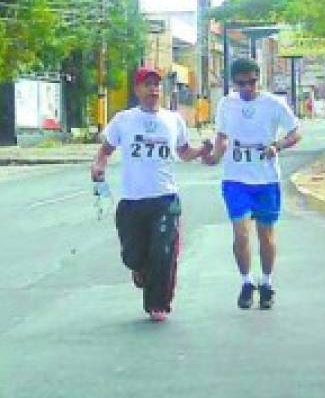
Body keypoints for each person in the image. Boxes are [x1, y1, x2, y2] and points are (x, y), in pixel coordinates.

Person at [91, 66, 208, 322]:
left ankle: (159, 303)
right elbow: (106, 149)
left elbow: (184, 152)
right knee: (133, 255)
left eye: (157, 85)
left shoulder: (173, 120)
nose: (153, 89)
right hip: (132, 201)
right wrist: (99, 165)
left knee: (164, 251)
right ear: (137, 89)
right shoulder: (124, 120)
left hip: (165, 198)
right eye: (147, 85)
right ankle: (139, 268)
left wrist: (203, 150)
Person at [203, 57, 302, 310]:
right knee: (240, 232)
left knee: (266, 235)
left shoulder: (274, 104)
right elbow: (222, 137)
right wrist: (213, 156)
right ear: (234, 83)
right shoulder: (226, 104)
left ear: (259, 79)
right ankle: (246, 282)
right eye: (241, 83)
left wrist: (277, 145)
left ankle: (266, 283)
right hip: (236, 179)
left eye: (252, 82)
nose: (248, 88)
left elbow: (296, 132)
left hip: (266, 180)